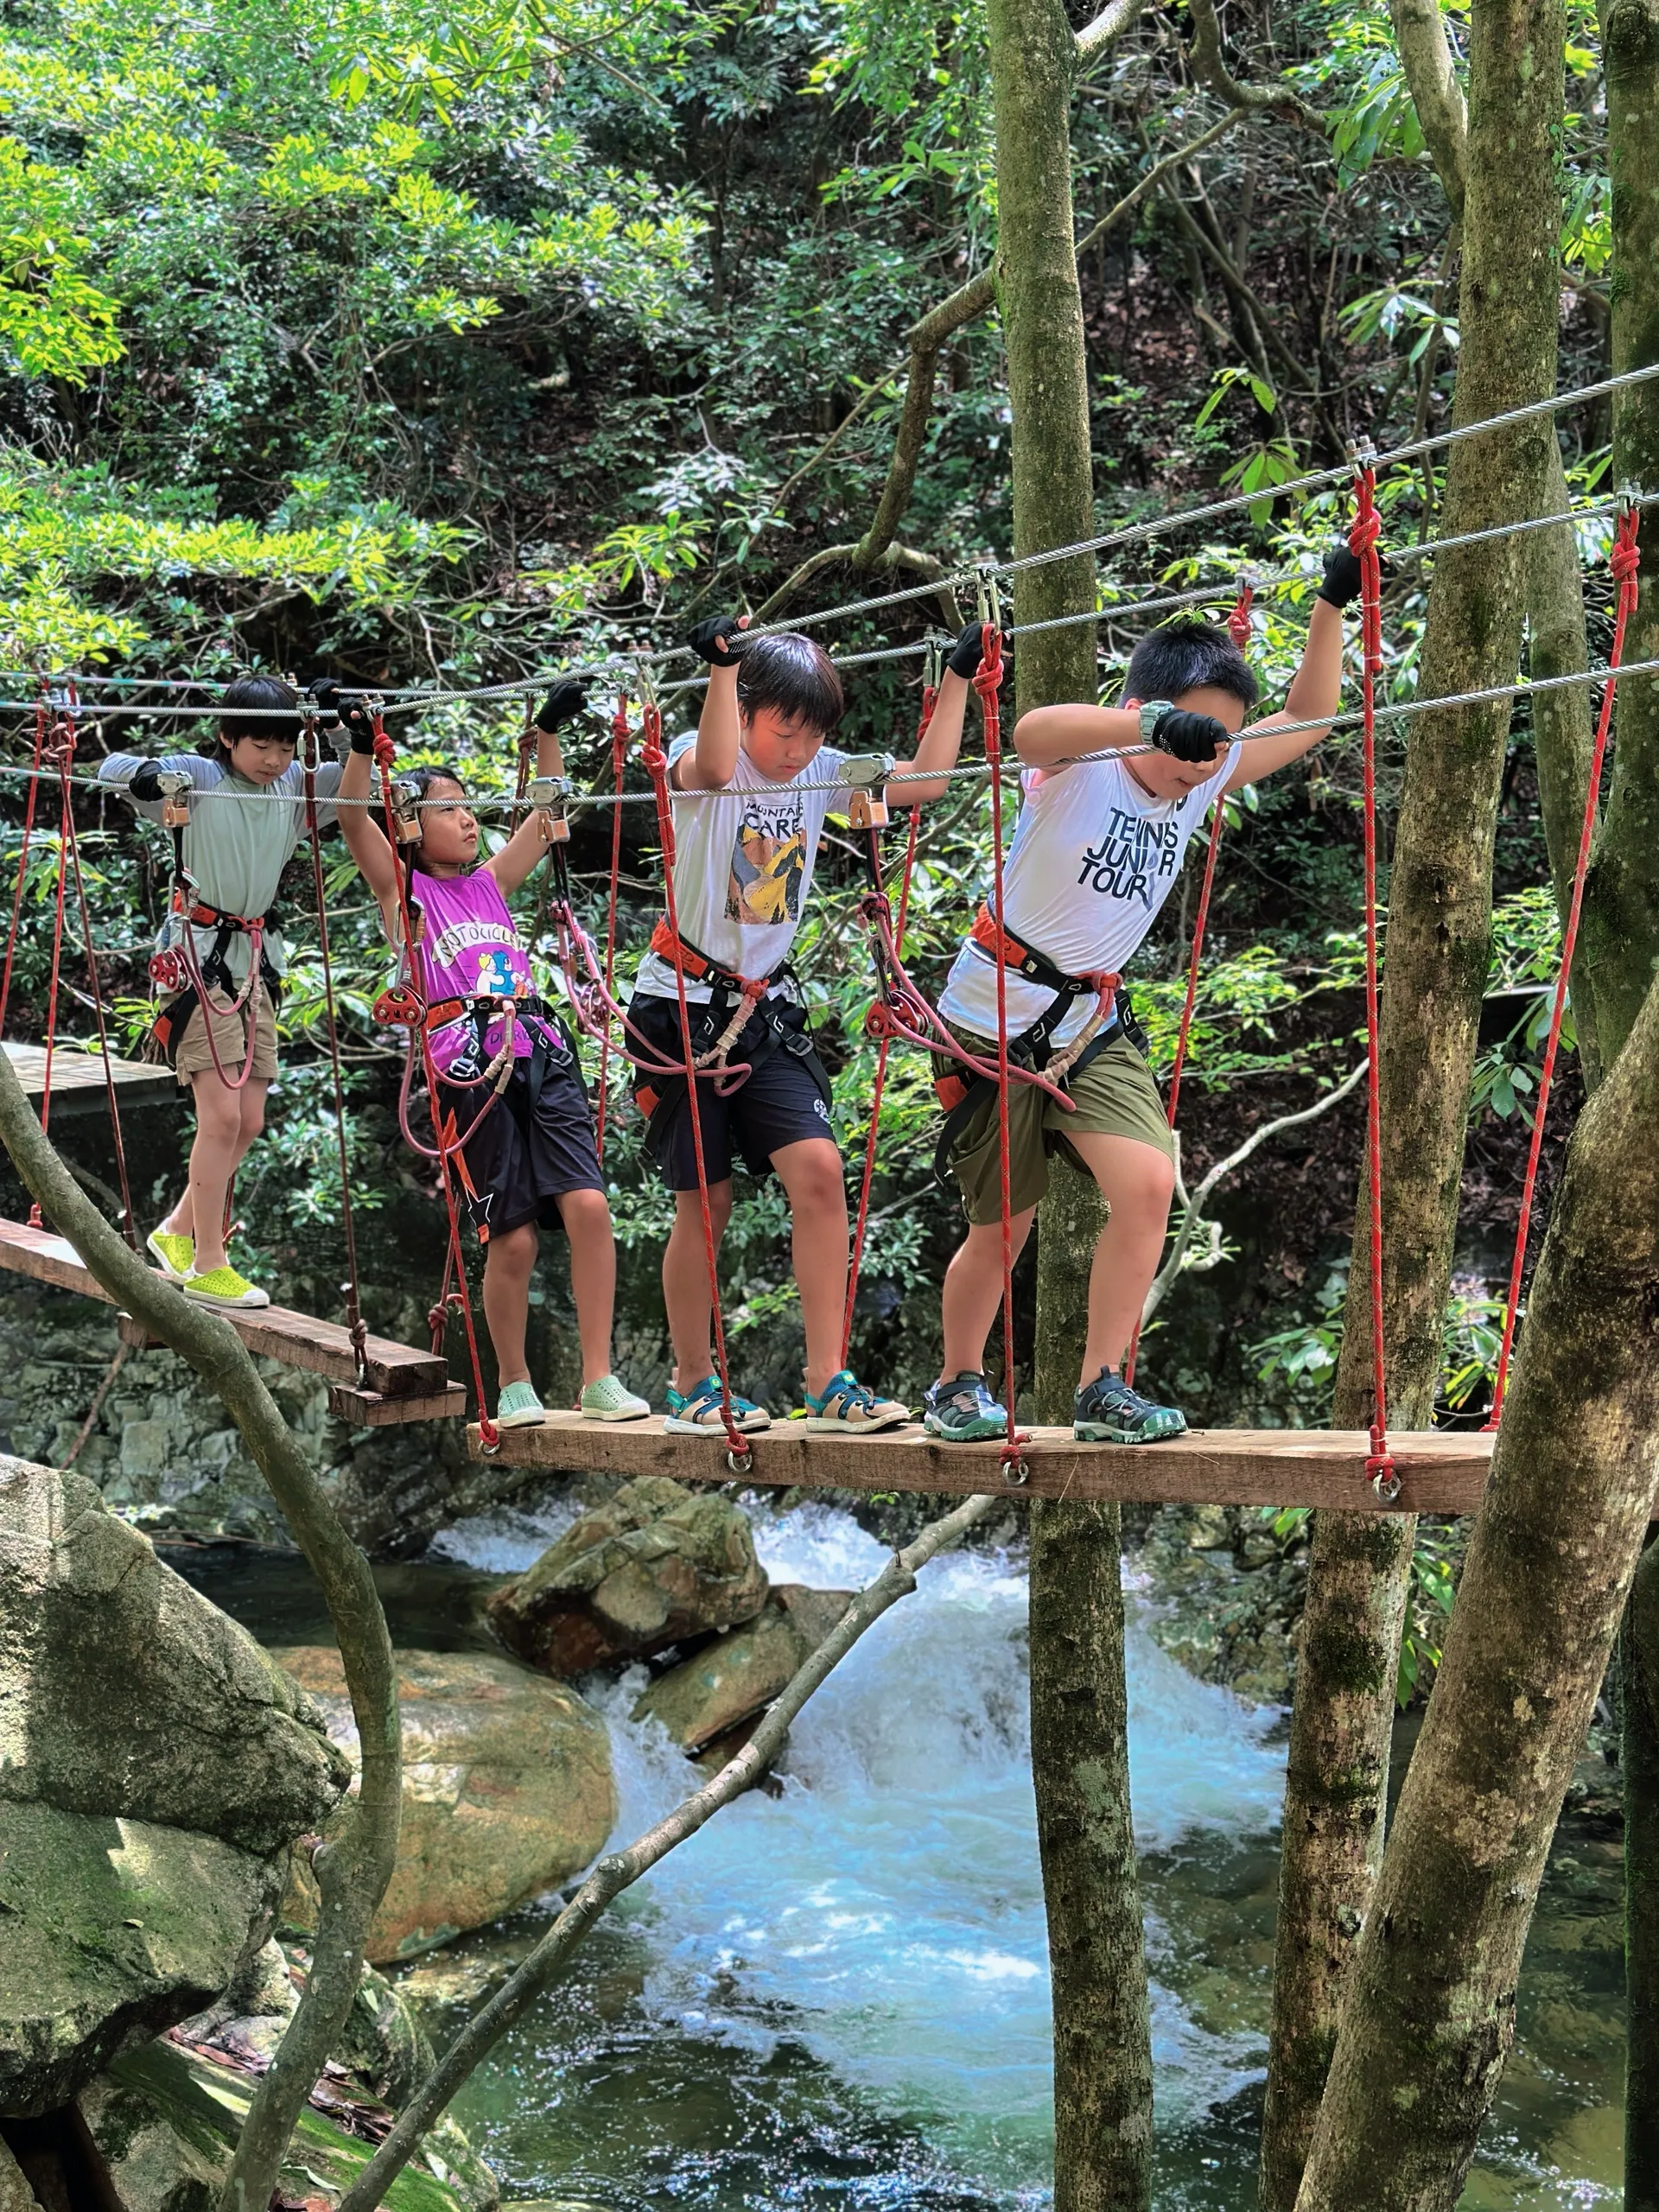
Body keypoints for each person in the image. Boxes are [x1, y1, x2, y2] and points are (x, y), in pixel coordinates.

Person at [925, 545, 1364, 1445]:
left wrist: (1332, 600)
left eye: (1217, 745)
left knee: (1151, 1182)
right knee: (1005, 1224)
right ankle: (958, 1382)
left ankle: (1101, 1386)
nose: (1202, 760)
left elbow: (1312, 713)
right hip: (988, 1018)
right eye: (1192, 738)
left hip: (1088, 1022)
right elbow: (1032, 731)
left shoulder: (1197, 790)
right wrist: (1152, 725)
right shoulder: (1082, 767)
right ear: (1147, 713)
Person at [629, 615, 992, 1436]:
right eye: (783, 728)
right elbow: (719, 761)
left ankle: (828, 1379)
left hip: (766, 1008)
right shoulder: (700, 762)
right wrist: (721, 668)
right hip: (680, 1006)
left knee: (821, 1174)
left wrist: (961, 679)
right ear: (748, 709)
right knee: (707, 1204)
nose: (796, 750)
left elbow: (924, 782)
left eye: (811, 733)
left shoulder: (825, 772)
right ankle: (693, 1381)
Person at [329, 679, 647, 1431]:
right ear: (409, 824)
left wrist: (545, 731)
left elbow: (546, 812)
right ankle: (514, 1382)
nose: (468, 818)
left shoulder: (490, 883)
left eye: (469, 805)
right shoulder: (402, 892)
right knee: (513, 1237)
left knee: (591, 1207)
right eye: (448, 808)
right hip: (464, 1058)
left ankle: (600, 1377)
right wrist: (357, 745)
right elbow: (349, 814)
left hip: (536, 1041)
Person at [99, 673, 340, 1310]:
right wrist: (147, 774)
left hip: (256, 957)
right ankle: (209, 1261)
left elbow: (351, 782)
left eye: (286, 747)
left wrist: (342, 723)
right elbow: (109, 766)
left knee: (251, 1119)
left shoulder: (292, 788)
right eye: (261, 744)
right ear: (227, 737)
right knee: (223, 1115)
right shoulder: (197, 778)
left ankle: (178, 1231)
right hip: (197, 955)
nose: (275, 760)